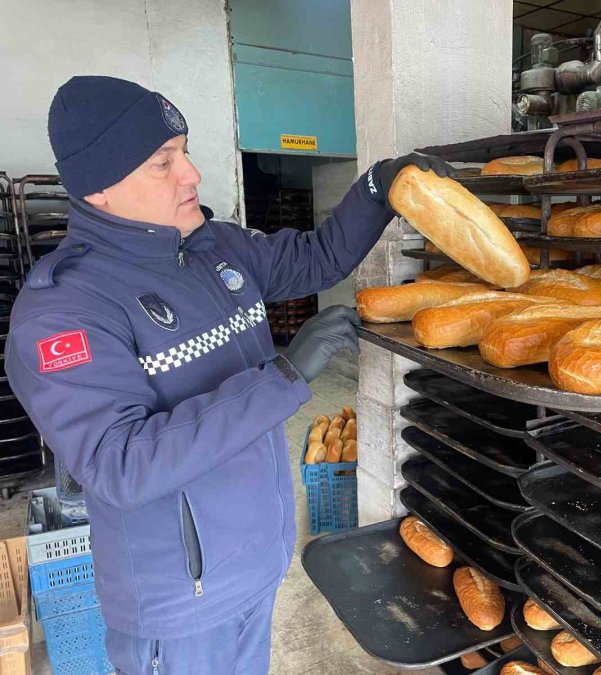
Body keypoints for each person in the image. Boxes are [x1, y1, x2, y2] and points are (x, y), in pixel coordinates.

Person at [5, 75, 453, 674]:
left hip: (257, 566)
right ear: (101, 188)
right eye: (163, 162)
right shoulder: (64, 311)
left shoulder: (216, 249)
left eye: (184, 151)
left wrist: (376, 186)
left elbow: (318, 257)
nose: (191, 174)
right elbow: (121, 464)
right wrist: (285, 374)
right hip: (181, 603)